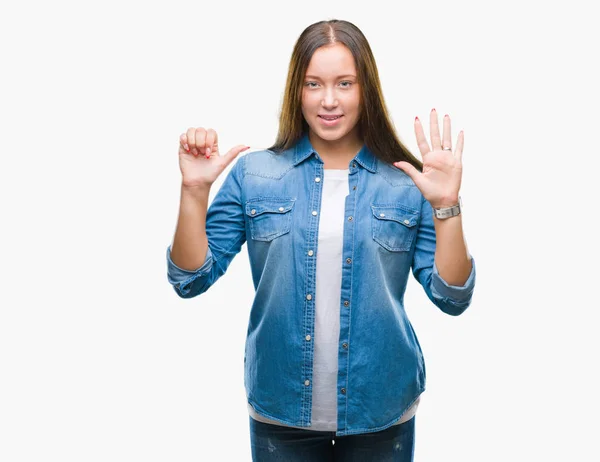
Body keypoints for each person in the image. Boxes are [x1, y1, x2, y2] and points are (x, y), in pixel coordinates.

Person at [166, 18, 476, 462]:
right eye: (314, 84)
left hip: (382, 409)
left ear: (365, 89)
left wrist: (446, 204)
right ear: (297, 90)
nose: (329, 100)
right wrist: (194, 192)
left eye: (344, 83)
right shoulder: (255, 175)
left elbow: (452, 296)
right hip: (281, 412)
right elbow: (189, 279)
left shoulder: (407, 182)